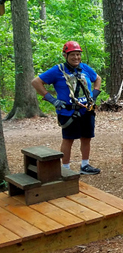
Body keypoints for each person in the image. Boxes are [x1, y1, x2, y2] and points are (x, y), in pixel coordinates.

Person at [32, 41, 102, 175]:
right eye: (73, 55)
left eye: (78, 54)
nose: (76, 57)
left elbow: (97, 79)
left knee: (86, 137)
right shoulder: (57, 70)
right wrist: (52, 100)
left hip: (87, 110)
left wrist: (94, 95)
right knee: (68, 139)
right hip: (68, 112)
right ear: (65, 55)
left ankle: (85, 165)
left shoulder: (85, 68)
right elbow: (36, 82)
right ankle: (65, 169)